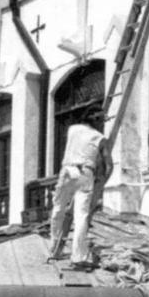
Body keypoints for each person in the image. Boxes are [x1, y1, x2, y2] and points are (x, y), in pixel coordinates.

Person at [47, 99, 113, 269]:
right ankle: (78, 256)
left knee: (58, 209)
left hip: (68, 170)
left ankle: (54, 246)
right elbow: (109, 165)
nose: (102, 123)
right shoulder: (100, 138)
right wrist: (102, 183)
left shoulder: (72, 129)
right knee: (81, 216)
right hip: (85, 173)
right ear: (94, 119)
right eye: (101, 120)